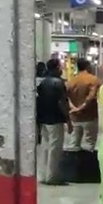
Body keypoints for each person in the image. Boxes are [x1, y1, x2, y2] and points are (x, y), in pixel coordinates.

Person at [36, 57, 70, 185]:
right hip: (56, 119)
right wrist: (68, 119)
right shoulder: (58, 83)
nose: (61, 69)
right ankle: (52, 176)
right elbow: (62, 102)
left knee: (44, 146)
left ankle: (42, 175)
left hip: (43, 118)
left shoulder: (42, 83)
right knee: (55, 148)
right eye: (60, 67)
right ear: (56, 68)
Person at [65, 58, 100, 153]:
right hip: (90, 116)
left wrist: (74, 108)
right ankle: (87, 166)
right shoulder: (93, 80)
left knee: (74, 144)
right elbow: (91, 97)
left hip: (75, 117)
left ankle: (75, 165)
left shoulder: (71, 81)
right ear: (88, 66)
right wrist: (81, 107)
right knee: (89, 144)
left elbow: (66, 97)